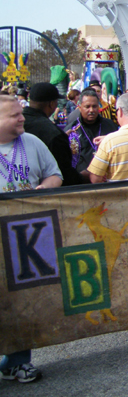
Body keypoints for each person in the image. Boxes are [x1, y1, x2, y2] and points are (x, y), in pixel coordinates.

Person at [0, 94, 63, 384]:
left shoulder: (34, 143)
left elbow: (55, 175)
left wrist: (43, 187)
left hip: (28, 241)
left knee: (23, 301)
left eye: (20, 113)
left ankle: (16, 362)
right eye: (15, 115)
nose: (22, 117)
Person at [22, 82, 83, 186]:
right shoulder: (53, 134)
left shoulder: (16, 123)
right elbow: (64, 174)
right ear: (51, 104)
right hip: (43, 192)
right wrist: (83, 177)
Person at [66, 89, 119, 182]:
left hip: (107, 181)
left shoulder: (110, 126)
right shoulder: (71, 129)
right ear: (79, 107)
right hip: (81, 182)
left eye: (94, 106)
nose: (91, 110)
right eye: (87, 106)